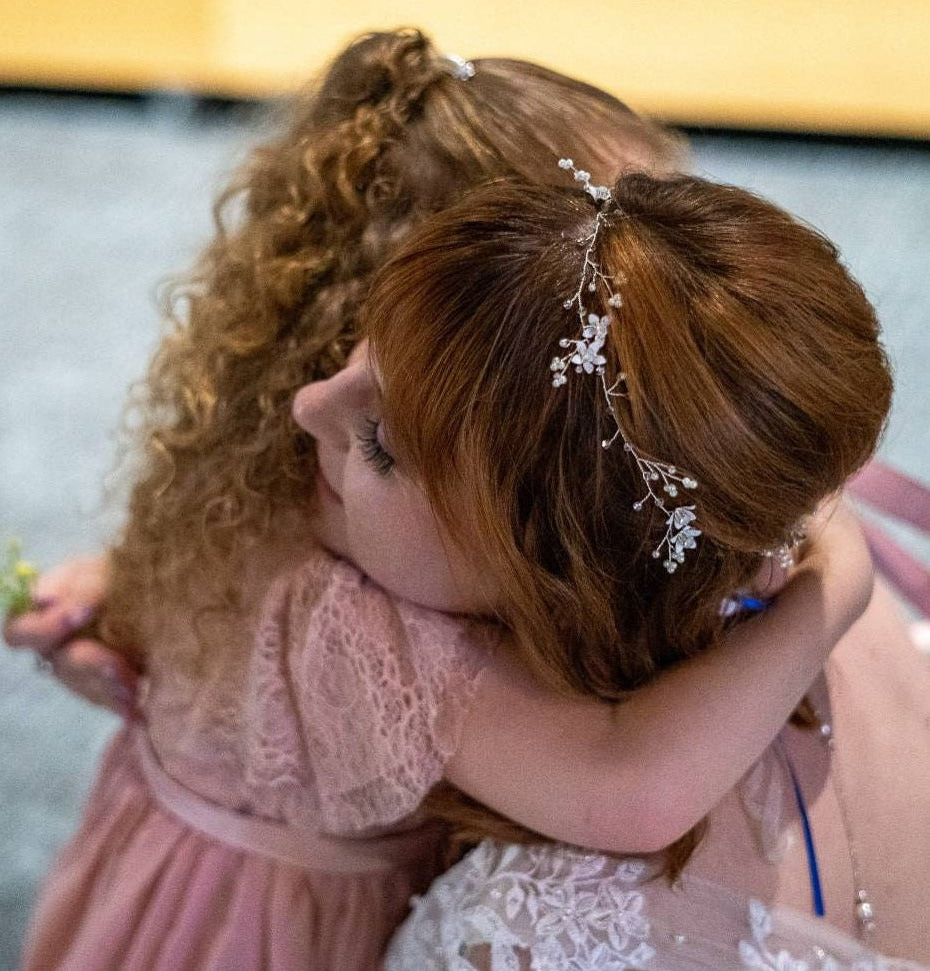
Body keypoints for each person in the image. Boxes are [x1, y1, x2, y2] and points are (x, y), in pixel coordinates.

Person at [2, 29, 887, 971]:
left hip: (155, 873)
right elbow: (630, 789)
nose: (313, 408)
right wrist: (833, 585)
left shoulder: (261, 448)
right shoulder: (351, 621)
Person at [355, 175, 928, 968]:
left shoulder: (539, 934)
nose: (307, 409)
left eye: (379, 443)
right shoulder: (823, 566)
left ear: (544, 558)